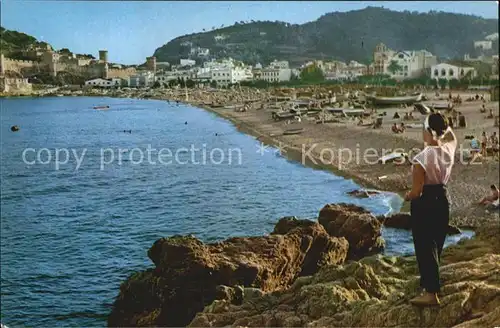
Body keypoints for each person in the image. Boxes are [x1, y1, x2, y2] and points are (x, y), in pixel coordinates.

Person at [405, 113, 457, 306]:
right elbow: (452, 136)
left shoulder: (421, 158)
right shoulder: (448, 149)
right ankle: (429, 284)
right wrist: (443, 125)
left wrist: (407, 196)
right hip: (443, 198)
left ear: (427, 131)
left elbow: (416, 191)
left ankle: (431, 292)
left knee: (425, 246)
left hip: (425, 202)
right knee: (436, 244)